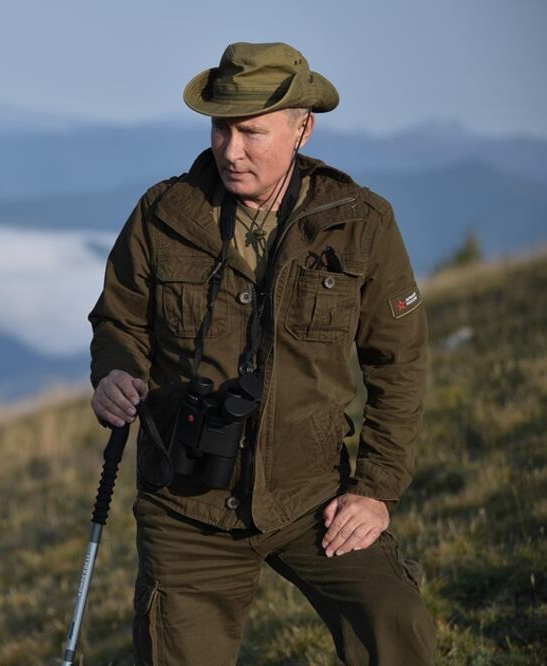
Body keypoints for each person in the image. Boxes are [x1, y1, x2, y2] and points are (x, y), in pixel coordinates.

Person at [87, 42, 435, 664]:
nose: (231, 149)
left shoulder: (360, 224)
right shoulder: (164, 213)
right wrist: (114, 372)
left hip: (312, 497)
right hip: (184, 502)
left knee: (395, 622)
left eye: (251, 131)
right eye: (222, 128)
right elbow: (120, 319)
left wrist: (375, 489)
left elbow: (399, 363)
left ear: (304, 126)